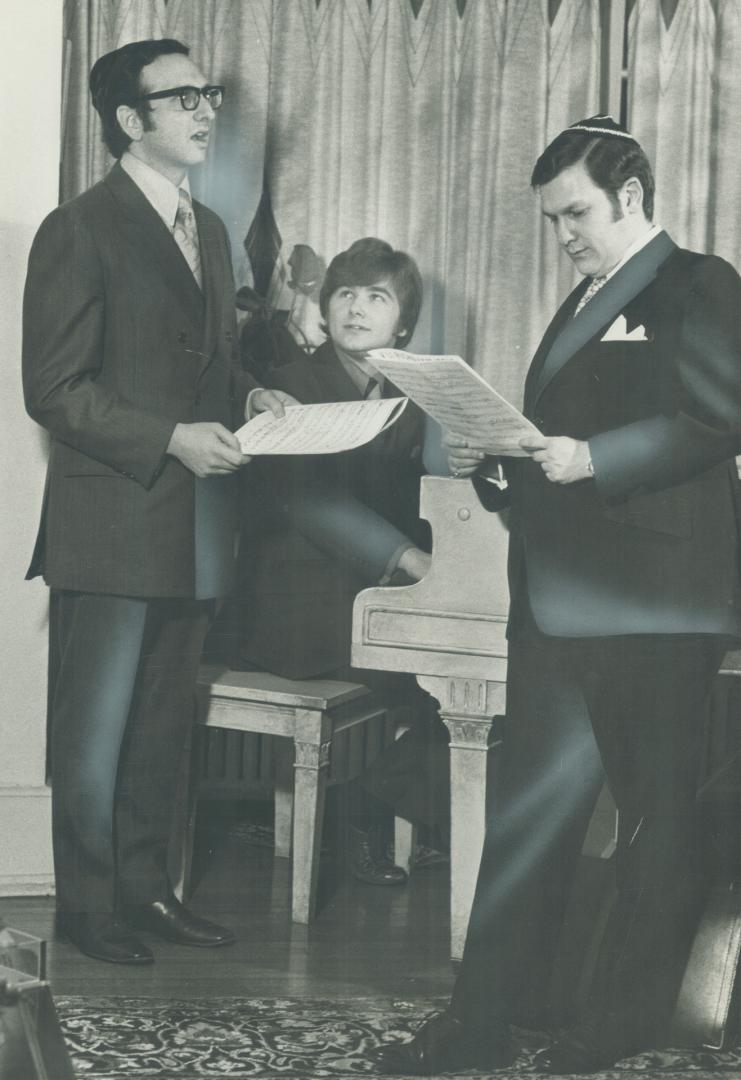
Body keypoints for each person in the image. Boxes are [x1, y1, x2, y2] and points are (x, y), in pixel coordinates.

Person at [373, 115, 741, 1074]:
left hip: (657, 607)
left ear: (630, 195)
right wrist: (492, 459)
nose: (565, 233)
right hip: (558, 602)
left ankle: (609, 1029)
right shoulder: (584, 299)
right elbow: (554, 451)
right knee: (525, 822)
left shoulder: (699, 282)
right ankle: (478, 1021)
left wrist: (592, 456)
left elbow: (718, 416)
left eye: (575, 212)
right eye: (551, 220)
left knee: (658, 823)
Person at [22, 39, 292, 966]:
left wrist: (252, 396)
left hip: (193, 528)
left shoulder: (209, 229)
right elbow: (54, 389)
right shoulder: (79, 228)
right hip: (112, 521)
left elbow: (207, 366)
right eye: (180, 98)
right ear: (129, 122)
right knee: (93, 736)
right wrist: (174, 438)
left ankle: (146, 894)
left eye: (206, 93)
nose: (204, 109)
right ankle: (86, 911)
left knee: (161, 729)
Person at [213, 238, 449, 884]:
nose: (354, 308)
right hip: (291, 610)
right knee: (444, 678)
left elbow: (414, 496)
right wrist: (411, 561)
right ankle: (376, 809)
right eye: (343, 293)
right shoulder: (291, 386)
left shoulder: (404, 393)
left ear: (401, 321)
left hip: (360, 598)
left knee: (469, 674)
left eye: (376, 296)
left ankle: (371, 798)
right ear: (324, 305)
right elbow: (306, 503)